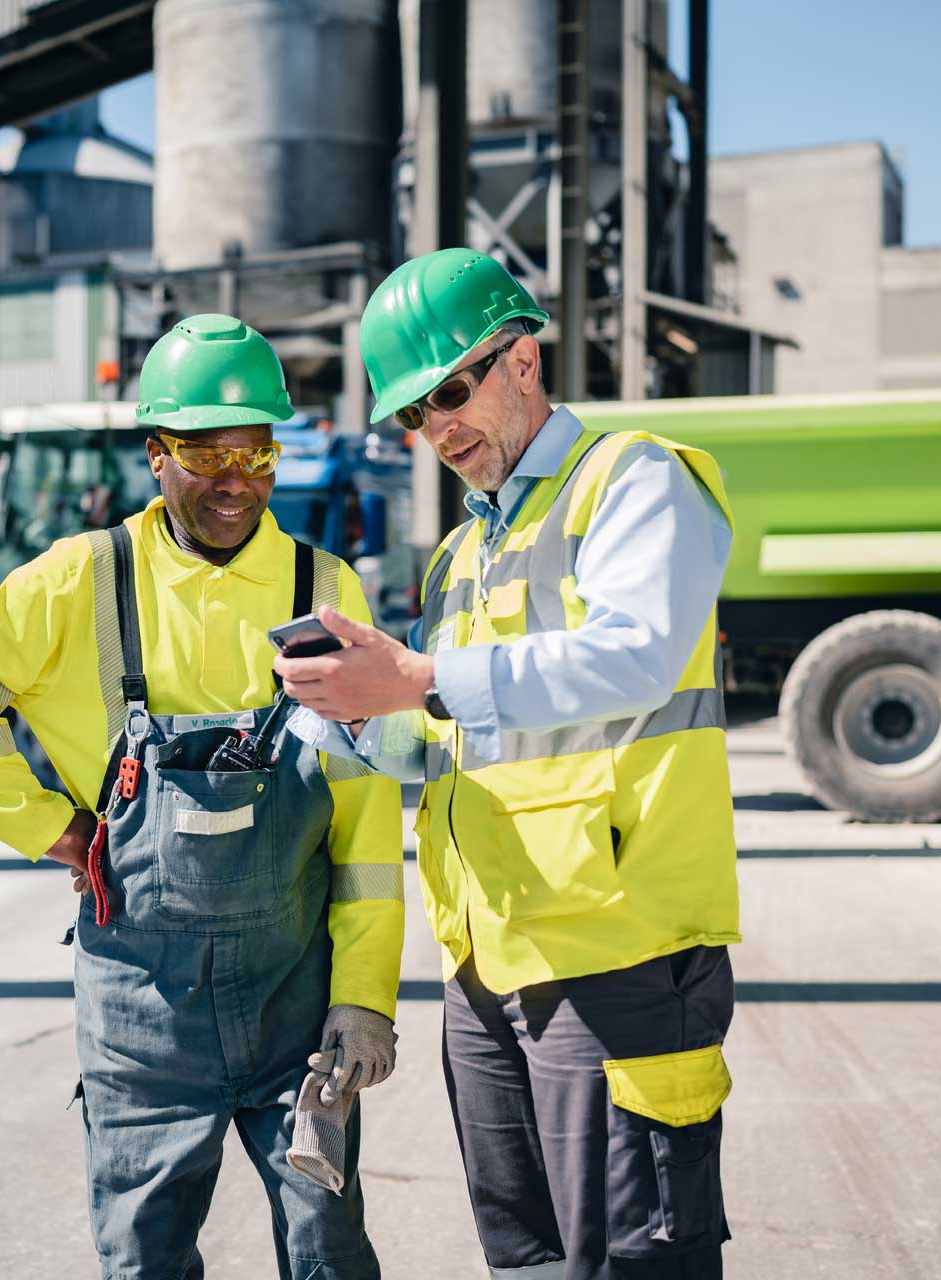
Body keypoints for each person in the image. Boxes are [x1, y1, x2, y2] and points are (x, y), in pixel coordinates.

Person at [0, 313, 404, 1280]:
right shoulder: (85, 579)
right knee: (146, 1258)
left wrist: (365, 997)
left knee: (330, 1252)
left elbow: (365, 815)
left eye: (256, 453)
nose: (234, 481)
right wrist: (47, 826)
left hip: (296, 994)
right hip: (140, 1007)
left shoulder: (321, 585)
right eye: (206, 453)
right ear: (155, 454)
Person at [277, 250, 740, 1279]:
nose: (437, 428)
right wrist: (350, 716)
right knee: (525, 1260)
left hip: (615, 951)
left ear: (521, 361)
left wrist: (418, 674)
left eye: (448, 392)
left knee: (629, 1260)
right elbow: (448, 731)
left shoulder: (633, 481)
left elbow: (636, 653)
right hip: (488, 964)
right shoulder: (460, 555)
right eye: (412, 415)